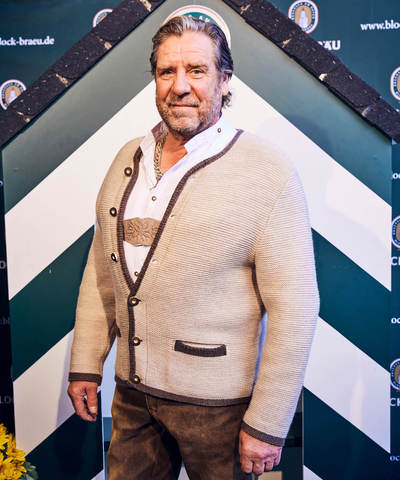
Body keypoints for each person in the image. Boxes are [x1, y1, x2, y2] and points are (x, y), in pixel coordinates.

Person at [67, 15, 319, 479]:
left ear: (224, 80)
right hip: (132, 398)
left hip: (221, 410)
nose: (179, 86)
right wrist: (86, 363)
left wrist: (267, 424)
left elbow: (296, 308)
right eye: (167, 71)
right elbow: (103, 271)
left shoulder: (268, 171)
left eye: (197, 71)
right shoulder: (128, 158)